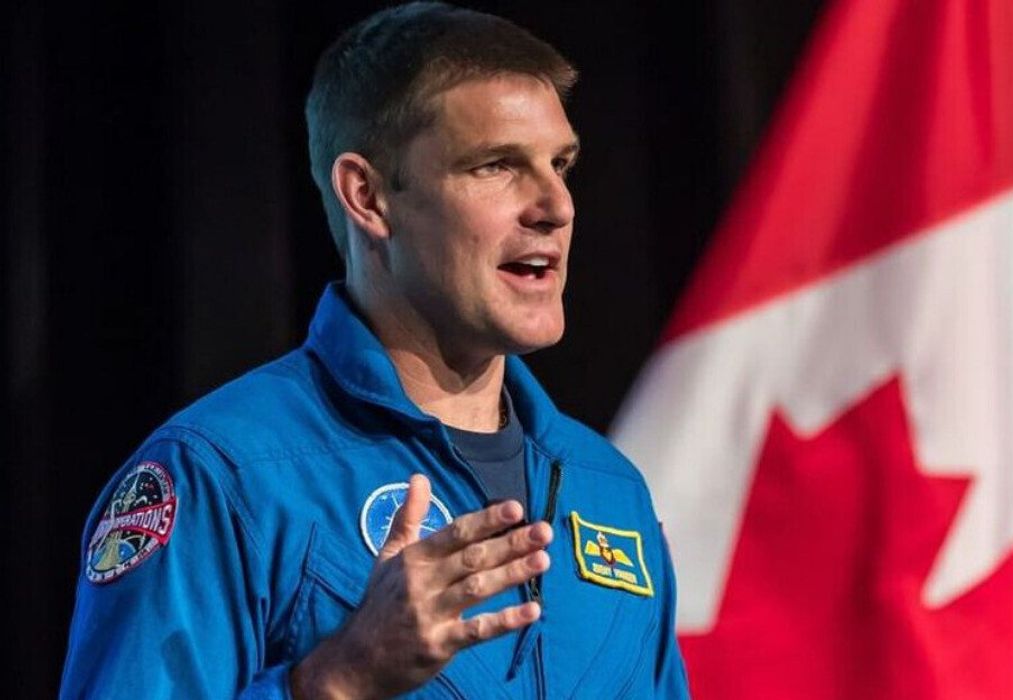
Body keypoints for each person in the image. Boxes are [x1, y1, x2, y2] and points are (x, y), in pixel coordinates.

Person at [59, 3, 690, 698]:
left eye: (560, 164)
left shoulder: (610, 488)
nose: (556, 206)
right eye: (496, 165)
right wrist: (340, 676)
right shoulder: (220, 473)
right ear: (367, 196)